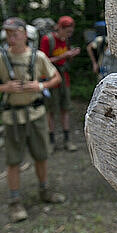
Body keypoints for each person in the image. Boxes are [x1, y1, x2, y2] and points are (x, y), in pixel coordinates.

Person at [0, 17, 65, 223]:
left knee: (41, 155)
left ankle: (44, 191)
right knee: (13, 160)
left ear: (25, 34)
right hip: (12, 117)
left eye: (15, 33)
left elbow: (56, 78)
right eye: (7, 33)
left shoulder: (38, 57)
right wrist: (4, 88)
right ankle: (15, 202)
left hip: (36, 114)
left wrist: (40, 86)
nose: (11, 37)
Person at [39, 16, 81, 151]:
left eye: (71, 32)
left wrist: (71, 55)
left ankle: (67, 140)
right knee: (51, 110)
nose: (69, 35)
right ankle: (51, 142)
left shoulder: (66, 40)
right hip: (50, 79)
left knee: (65, 108)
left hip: (64, 78)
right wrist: (63, 56)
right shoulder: (48, 40)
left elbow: (65, 59)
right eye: (67, 32)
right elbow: (42, 61)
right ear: (60, 28)